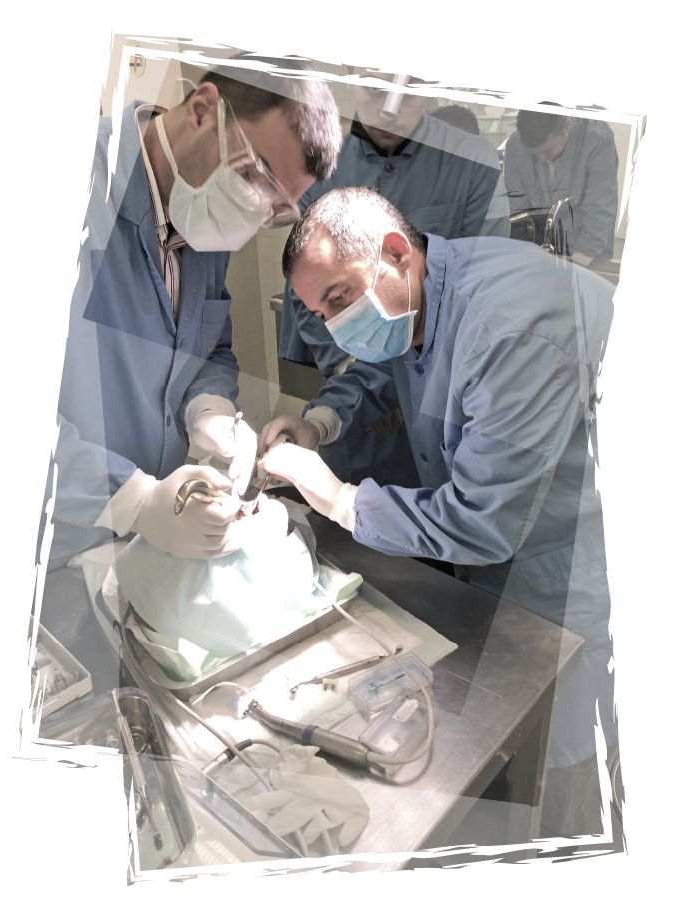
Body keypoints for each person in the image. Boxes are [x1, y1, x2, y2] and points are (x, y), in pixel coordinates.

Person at [259, 187, 618, 840]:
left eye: (338, 298)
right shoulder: (417, 294)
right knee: (512, 737)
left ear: (396, 252)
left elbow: (483, 520)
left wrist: (340, 499)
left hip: (576, 562)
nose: (335, 324)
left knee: (573, 766)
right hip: (502, 563)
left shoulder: (513, 326)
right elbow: (378, 365)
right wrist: (319, 423)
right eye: (319, 312)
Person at [41, 54, 342, 572]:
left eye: (274, 208)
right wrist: (132, 500)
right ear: (202, 110)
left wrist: (210, 412)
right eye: (254, 176)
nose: (255, 210)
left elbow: (206, 346)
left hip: (137, 546)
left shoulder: (202, 221)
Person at [277, 66, 510, 490]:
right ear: (349, 72)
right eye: (374, 88)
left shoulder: (471, 162)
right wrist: (353, 375)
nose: (391, 110)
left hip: (441, 403)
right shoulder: (319, 167)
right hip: (352, 408)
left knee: (438, 515)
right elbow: (307, 296)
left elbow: (481, 294)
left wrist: (413, 386)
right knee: (345, 517)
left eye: (411, 88)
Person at [504, 105, 619, 265]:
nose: (542, 158)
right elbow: (516, 211)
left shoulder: (597, 140)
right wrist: (521, 258)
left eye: (548, 150)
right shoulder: (516, 146)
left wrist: (578, 263)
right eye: (535, 153)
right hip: (538, 248)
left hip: (589, 249)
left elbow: (600, 211)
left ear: (566, 127)